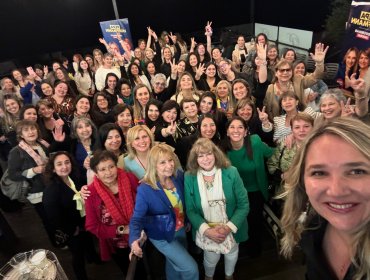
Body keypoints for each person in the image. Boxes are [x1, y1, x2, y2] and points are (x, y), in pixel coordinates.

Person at [280, 117, 370, 280]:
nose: (337, 191)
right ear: (302, 182)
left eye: (357, 171)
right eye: (319, 173)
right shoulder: (312, 228)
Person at [129, 144, 199, 280]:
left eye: (170, 160)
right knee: (191, 269)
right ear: (154, 165)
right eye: (162, 162)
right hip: (162, 236)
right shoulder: (145, 189)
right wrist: (133, 240)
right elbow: (137, 218)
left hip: (181, 230)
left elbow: (186, 202)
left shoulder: (178, 177)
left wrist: (187, 220)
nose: (169, 165)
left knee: (174, 264)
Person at [185, 138, 249, 280]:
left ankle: (229, 275)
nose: (205, 159)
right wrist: (207, 231)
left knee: (232, 253)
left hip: (231, 226)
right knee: (210, 257)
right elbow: (190, 210)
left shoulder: (231, 172)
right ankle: (209, 277)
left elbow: (243, 205)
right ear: (195, 159)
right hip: (207, 229)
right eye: (200, 156)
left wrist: (228, 228)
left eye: (208, 154)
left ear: (216, 154)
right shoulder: (189, 177)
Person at [222, 116, 275, 257]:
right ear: (227, 132)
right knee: (237, 221)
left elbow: (273, 154)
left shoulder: (255, 142)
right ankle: (238, 249)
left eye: (240, 127)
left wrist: (291, 142)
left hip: (255, 191)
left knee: (254, 222)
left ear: (246, 132)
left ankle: (254, 251)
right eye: (232, 127)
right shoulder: (222, 150)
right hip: (234, 194)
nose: (236, 130)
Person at [85, 150, 140, 275]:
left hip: (141, 235)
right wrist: (122, 229)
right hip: (118, 244)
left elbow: (146, 202)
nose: (108, 172)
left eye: (111, 167)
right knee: (131, 273)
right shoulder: (91, 192)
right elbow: (92, 226)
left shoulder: (130, 178)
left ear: (116, 166)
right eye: (102, 169)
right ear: (96, 173)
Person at [43, 151, 94, 280]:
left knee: (88, 242)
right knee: (77, 254)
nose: (64, 166)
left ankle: (93, 258)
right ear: (53, 169)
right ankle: (81, 276)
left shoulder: (74, 178)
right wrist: (71, 230)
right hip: (72, 228)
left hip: (83, 220)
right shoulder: (51, 190)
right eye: (59, 164)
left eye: (67, 162)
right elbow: (53, 217)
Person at [8, 120, 58, 245]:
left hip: (52, 186)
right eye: (26, 130)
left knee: (57, 215)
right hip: (37, 192)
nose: (31, 132)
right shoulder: (16, 152)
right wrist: (33, 170)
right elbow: (13, 175)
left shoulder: (43, 144)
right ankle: (57, 241)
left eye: (33, 128)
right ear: (21, 135)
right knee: (48, 219)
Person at [264, 43, 328, 120]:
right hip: (279, 124)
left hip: (299, 121)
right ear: (276, 73)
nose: (285, 73)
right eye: (281, 70)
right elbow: (268, 109)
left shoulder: (299, 80)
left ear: (292, 72)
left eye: (288, 70)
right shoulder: (270, 89)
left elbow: (316, 77)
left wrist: (320, 63)